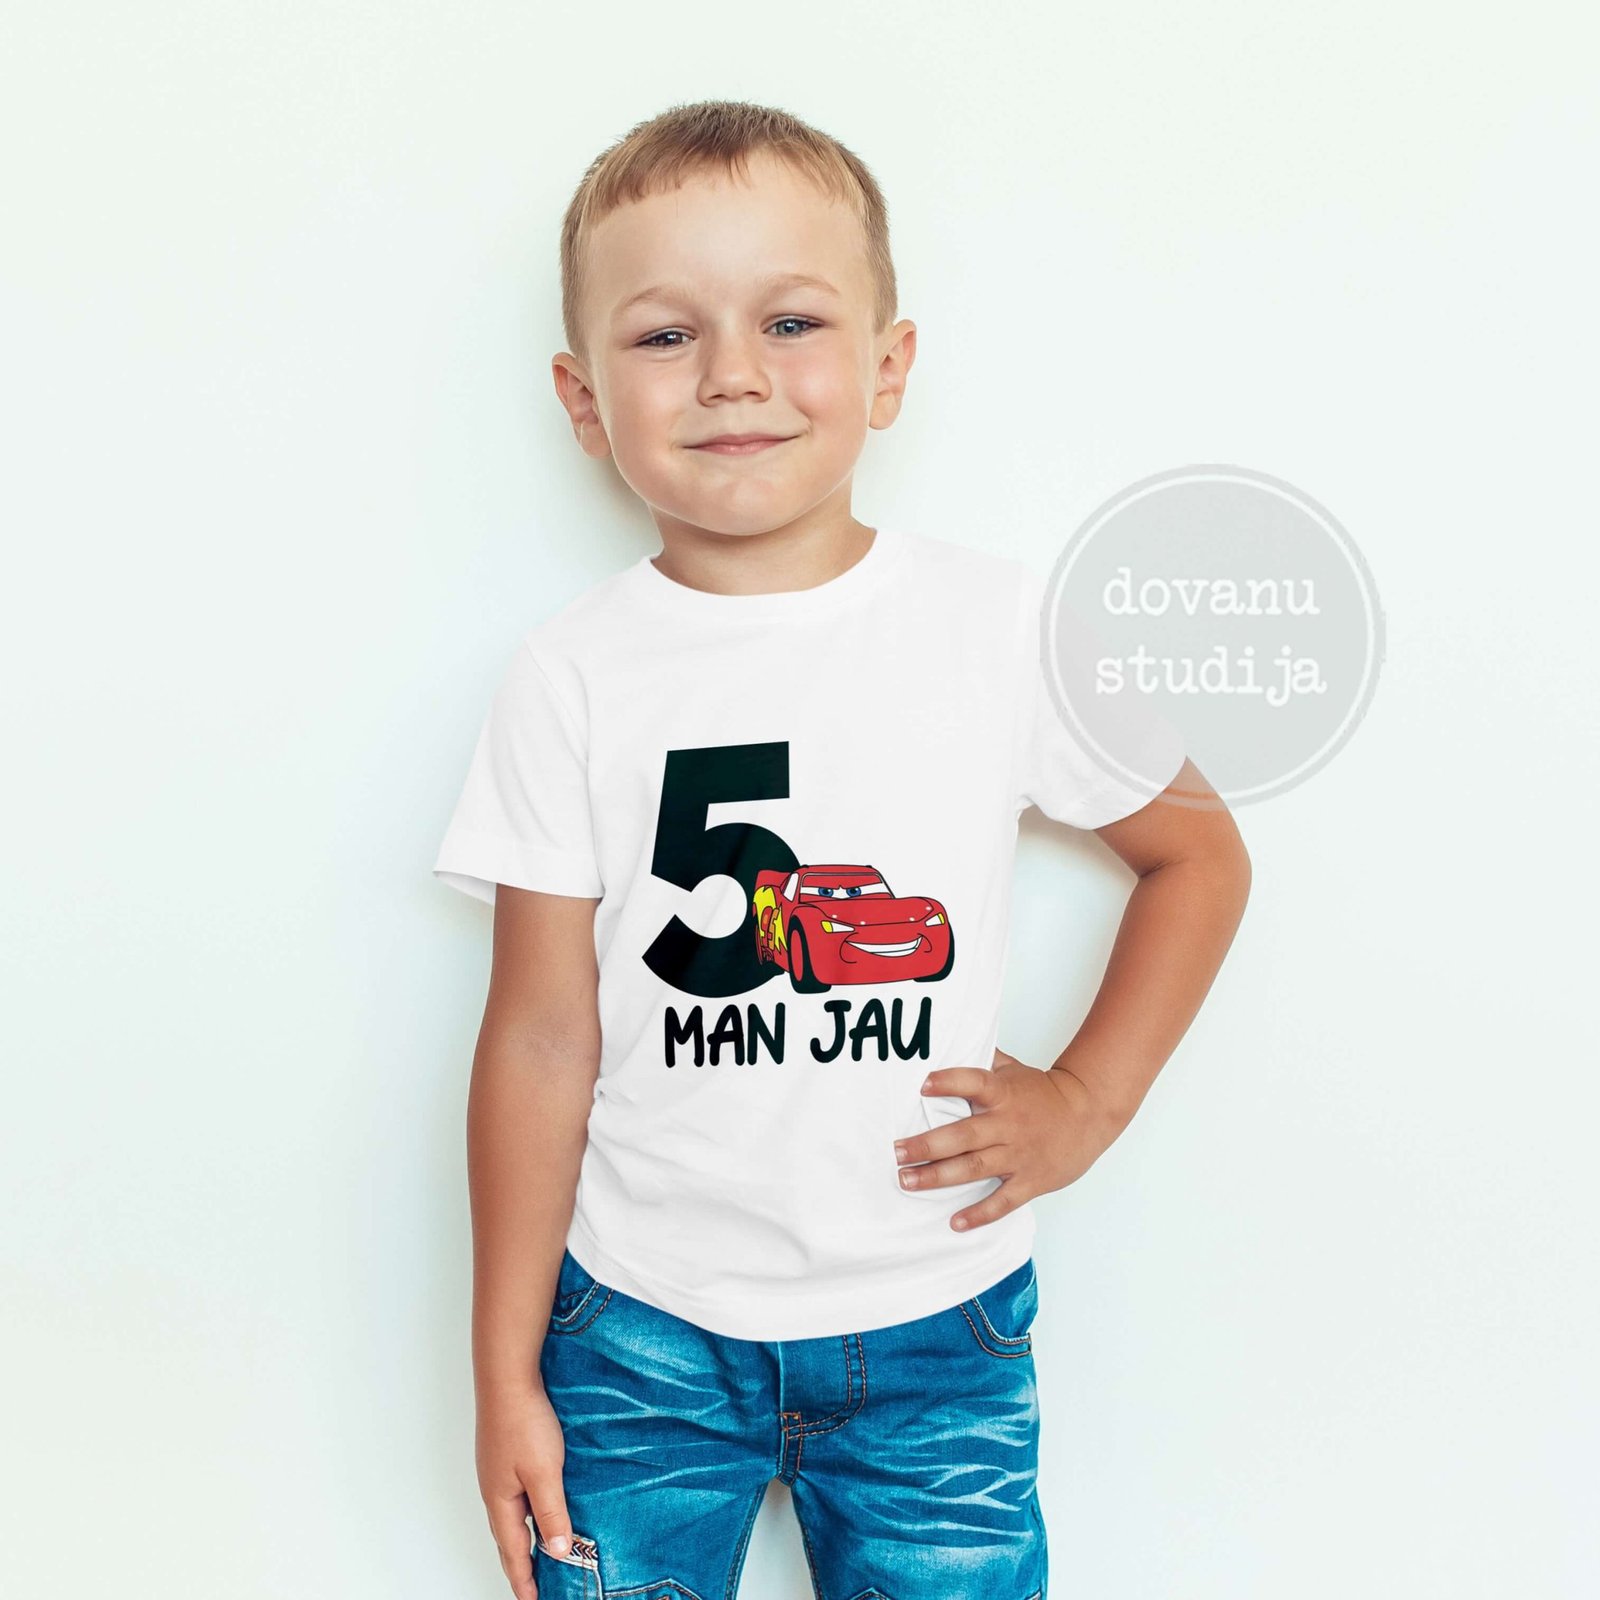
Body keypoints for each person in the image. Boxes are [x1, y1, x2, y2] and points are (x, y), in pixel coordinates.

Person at [432, 98, 1251, 1600]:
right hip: (637, 1332)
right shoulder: (571, 675)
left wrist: (1088, 1101)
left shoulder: (997, 628)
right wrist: (502, 1374)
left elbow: (1199, 856)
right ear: (583, 397)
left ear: (887, 368)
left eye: (792, 320)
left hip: (939, 1323)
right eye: (665, 335)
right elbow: (539, 1035)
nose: (733, 374)